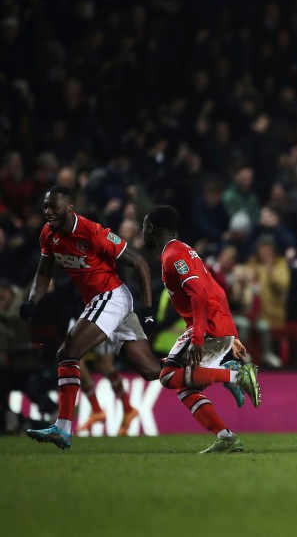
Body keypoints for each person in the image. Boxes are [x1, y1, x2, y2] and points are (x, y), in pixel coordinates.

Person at [20, 186, 160, 450]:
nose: (48, 212)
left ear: (70, 208)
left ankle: (63, 428)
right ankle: (225, 374)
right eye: (45, 206)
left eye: (53, 207)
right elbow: (44, 272)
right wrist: (32, 301)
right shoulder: (48, 234)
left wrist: (148, 310)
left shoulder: (93, 232)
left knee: (67, 353)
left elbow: (140, 263)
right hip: (97, 302)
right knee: (151, 370)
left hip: (111, 296)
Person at [141, 205, 261, 454]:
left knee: (167, 376)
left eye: (144, 226)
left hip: (205, 327)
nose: (142, 231)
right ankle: (226, 437)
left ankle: (235, 375)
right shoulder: (186, 250)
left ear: (151, 228)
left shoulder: (173, 255)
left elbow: (199, 295)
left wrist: (197, 337)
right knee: (185, 389)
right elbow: (217, 290)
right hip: (215, 325)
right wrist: (232, 334)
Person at [73, 332, 140, 436]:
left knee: (101, 365)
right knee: (101, 366)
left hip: (97, 324)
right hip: (88, 324)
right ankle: (125, 409)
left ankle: (123, 409)